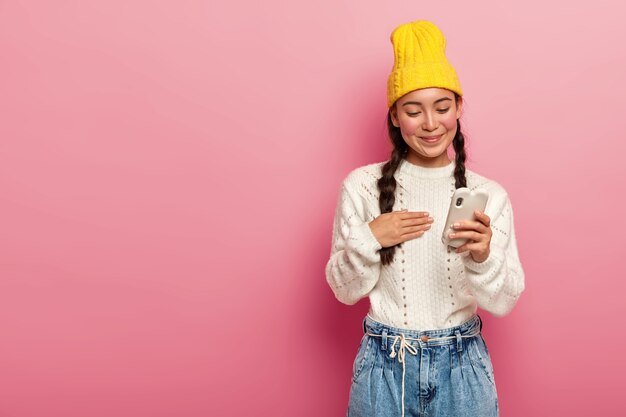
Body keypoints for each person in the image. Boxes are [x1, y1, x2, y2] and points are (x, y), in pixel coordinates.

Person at [325, 20, 525, 417]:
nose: (431, 125)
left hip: (463, 369)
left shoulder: (489, 196)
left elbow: (504, 302)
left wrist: (482, 257)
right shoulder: (362, 187)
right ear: (396, 117)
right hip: (384, 368)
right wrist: (369, 238)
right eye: (413, 111)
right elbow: (343, 291)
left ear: (459, 107)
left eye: (443, 107)